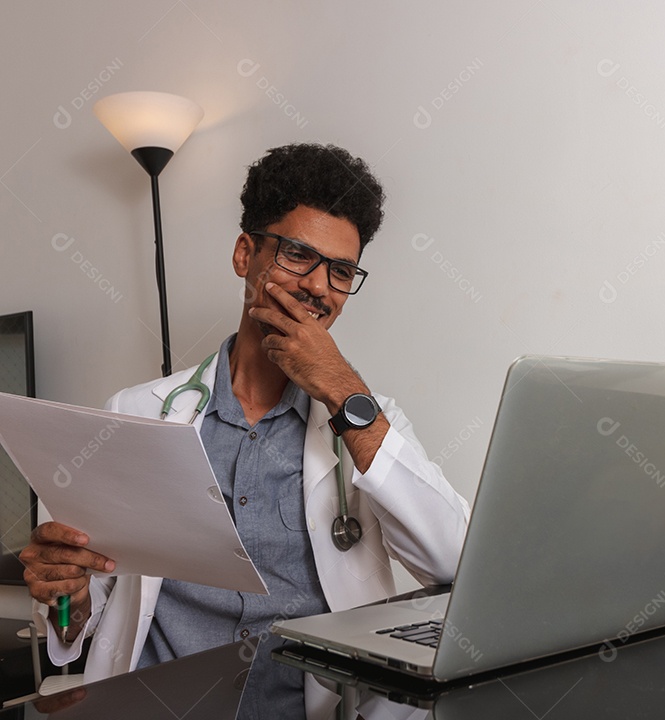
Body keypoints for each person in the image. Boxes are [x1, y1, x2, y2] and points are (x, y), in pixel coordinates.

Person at [19, 143, 470, 718]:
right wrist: (65, 598)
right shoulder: (135, 414)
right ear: (244, 254)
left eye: (340, 271)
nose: (318, 287)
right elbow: (75, 621)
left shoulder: (364, 420)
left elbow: (456, 563)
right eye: (299, 255)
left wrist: (341, 391)